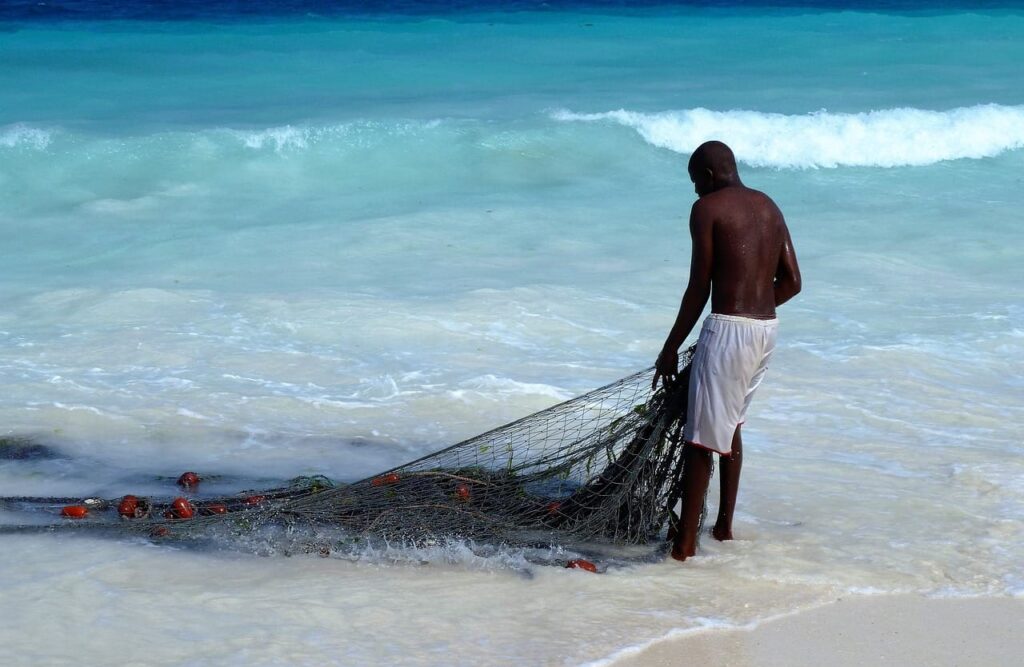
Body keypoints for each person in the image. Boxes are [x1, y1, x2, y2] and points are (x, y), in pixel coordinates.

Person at [653, 140, 801, 562]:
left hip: (729, 331)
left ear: (712, 175)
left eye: (696, 181)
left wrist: (670, 348)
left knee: (700, 439)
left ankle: (684, 547)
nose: (695, 191)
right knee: (732, 423)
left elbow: (700, 286)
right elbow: (792, 282)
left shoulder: (708, 209)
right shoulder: (769, 207)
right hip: (766, 331)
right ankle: (723, 528)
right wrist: (755, 312)